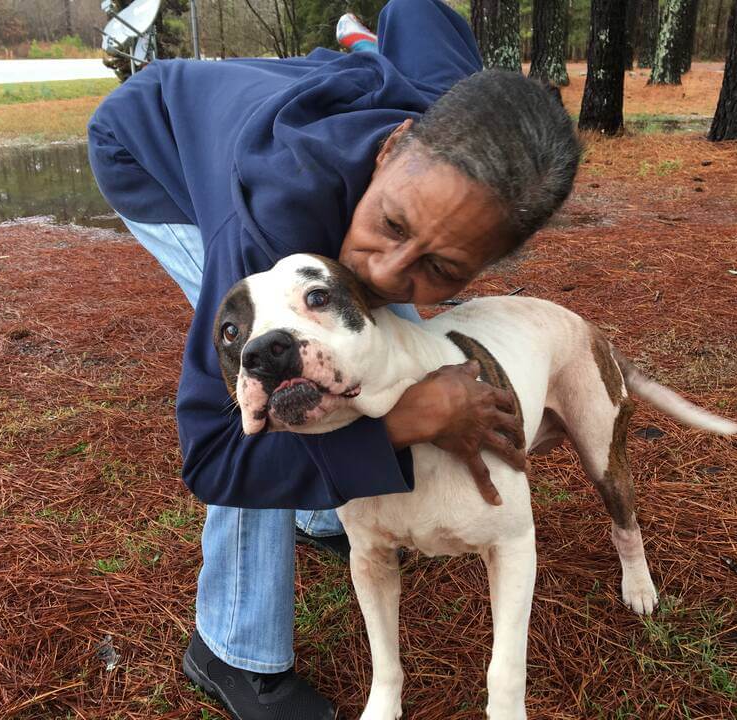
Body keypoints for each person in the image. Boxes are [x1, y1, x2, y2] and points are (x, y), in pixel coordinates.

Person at [87, 1, 579, 718]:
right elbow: (214, 456)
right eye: (391, 225)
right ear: (394, 147)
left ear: (488, 263)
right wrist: (403, 423)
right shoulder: (264, 228)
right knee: (274, 403)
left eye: (441, 269)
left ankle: (327, 505)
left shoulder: (456, 115)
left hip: (293, 123)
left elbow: (415, 10)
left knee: (364, 335)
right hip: (148, 142)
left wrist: (363, 45)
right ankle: (233, 647)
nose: (385, 272)